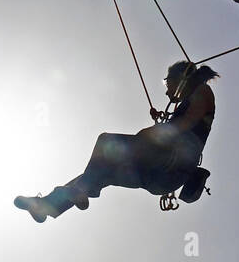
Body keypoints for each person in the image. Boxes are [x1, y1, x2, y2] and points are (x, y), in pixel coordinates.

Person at [14, 61, 218, 221]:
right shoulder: (191, 99)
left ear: (181, 77)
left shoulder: (203, 91)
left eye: (168, 82)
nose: (167, 90)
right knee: (100, 171)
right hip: (160, 177)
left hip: (172, 164)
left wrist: (152, 133)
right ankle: (49, 204)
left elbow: (188, 122)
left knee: (106, 143)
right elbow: (183, 123)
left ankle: (76, 191)